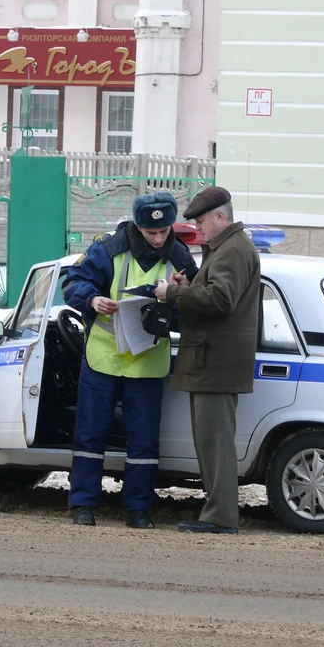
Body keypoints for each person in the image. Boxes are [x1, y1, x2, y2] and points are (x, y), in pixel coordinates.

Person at [63, 192, 197, 528]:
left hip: (148, 358)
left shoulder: (179, 254)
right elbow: (73, 282)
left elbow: (197, 301)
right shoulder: (108, 248)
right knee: (90, 434)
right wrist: (92, 299)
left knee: (144, 439)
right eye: (151, 232)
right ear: (138, 226)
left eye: (163, 231)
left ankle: (138, 509)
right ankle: (83, 504)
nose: (158, 238)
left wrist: (182, 292)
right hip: (104, 355)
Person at [154, 186, 260, 535]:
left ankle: (220, 517)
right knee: (211, 442)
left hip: (215, 361)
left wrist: (173, 293)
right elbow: (216, 292)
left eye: (201, 221)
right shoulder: (229, 247)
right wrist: (188, 284)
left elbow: (220, 299)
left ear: (220, 216)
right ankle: (216, 512)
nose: (198, 228)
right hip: (212, 360)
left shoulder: (231, 250)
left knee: (215, 445)